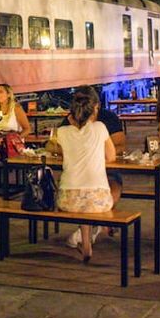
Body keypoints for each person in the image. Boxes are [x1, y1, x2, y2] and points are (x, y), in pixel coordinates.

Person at [56, 86, 117, 264]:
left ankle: (86, 244)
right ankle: (92, 237)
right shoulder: (100, 128)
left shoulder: (62, 132)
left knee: (82, 196)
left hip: (67, 200)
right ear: (94, 110)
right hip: (99, 199)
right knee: (92, 196)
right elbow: (111, 157)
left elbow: (59, 151)